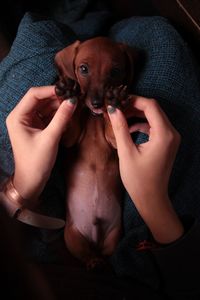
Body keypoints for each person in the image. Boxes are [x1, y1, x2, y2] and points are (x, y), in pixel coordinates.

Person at [1, 85, 200, 300]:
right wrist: (154, 203)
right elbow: (189, 286)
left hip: (40, 228)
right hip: (142, 248)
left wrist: (21, 189)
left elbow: (72, 139)